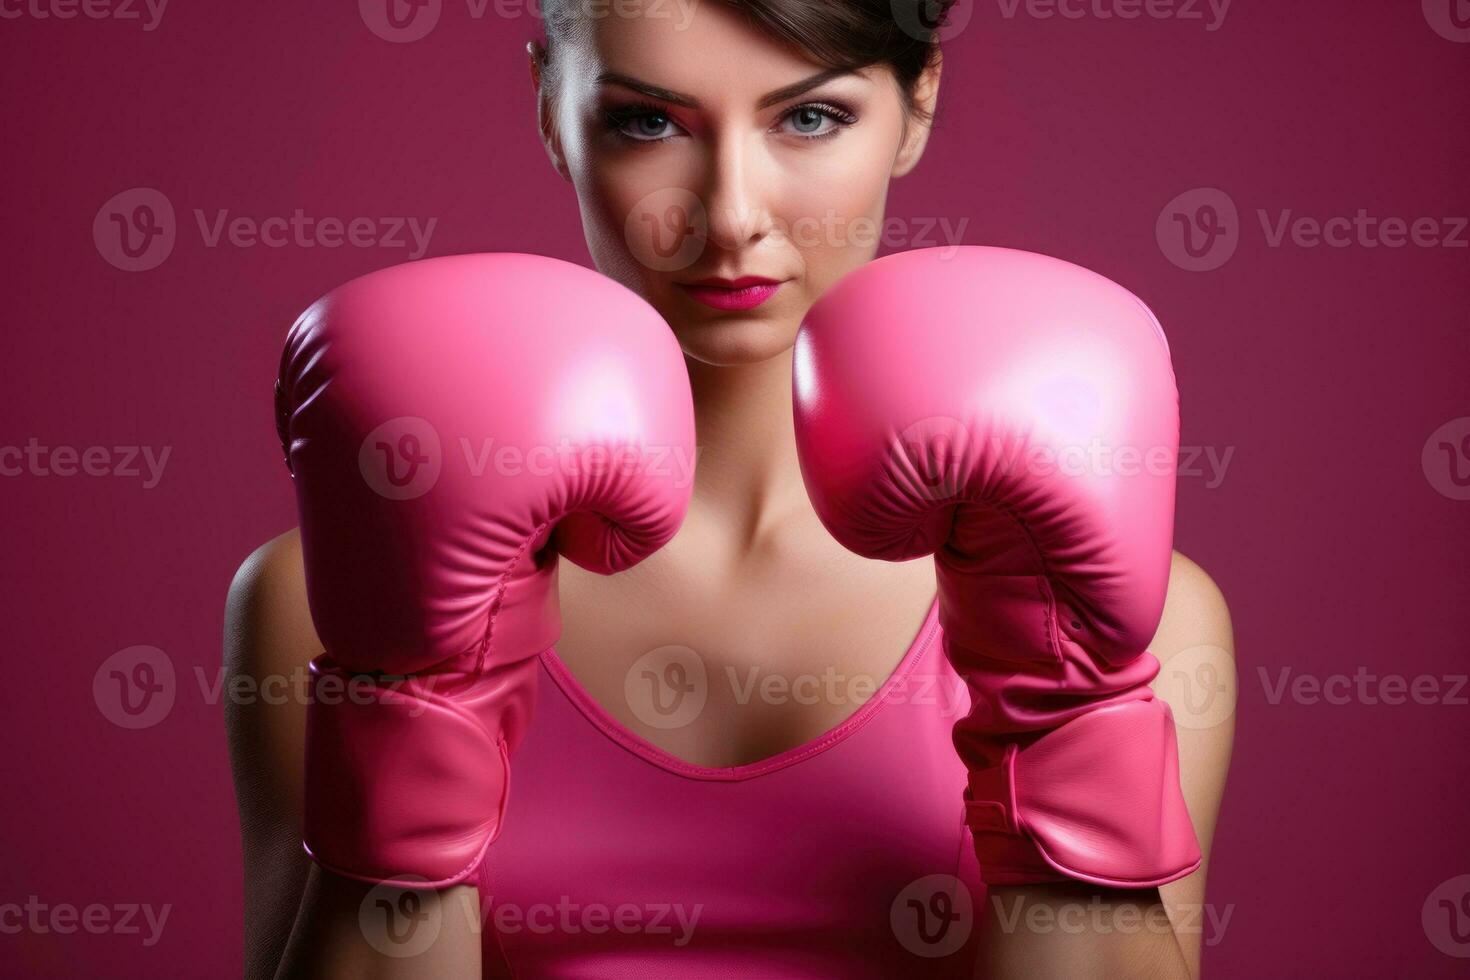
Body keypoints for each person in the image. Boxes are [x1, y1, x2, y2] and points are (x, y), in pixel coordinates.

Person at [226, 2, 1234, 976]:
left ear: (920, 97)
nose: (730, 214)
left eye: (809, 116)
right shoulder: (313, 600)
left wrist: (1061, 706)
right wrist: (420, 705)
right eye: (647, 120)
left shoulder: (1143, 621)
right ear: (549, 109)